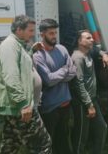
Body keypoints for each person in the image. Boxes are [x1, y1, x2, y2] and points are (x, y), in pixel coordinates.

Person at [0, 15, 52, 153]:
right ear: (19, 30)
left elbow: (22, 65)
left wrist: (32, 50)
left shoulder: (17, 45)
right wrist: (23, 104)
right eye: (31, 31)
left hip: (17, 107)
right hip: (21, 108)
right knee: (43, 145)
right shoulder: (9, 46)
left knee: (10, 146)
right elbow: (11, 76)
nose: (33, 34)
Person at [33, 18, 77, 154]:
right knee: (49, 143)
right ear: (42, 34)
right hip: (50, 108)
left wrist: (59, 75)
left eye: (55, 33)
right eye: (51, 33)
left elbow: (73, 72)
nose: (54, 36)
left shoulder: (62, 49)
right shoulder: (38, 56)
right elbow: (49, 80)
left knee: (64, 141)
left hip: (65, 103)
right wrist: (64, 70)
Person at [70, 30, 108, 154]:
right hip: (82, 103)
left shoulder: (88, 52)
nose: (92, 40)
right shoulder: (78, 57)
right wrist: (89, 104)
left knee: (102, 128)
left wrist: (104, 54)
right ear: (79, 41)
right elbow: (78, 83)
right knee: (81, 134)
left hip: (92, 99)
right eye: (88, 38)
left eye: (91, 38)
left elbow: (97, 49)